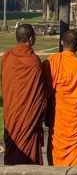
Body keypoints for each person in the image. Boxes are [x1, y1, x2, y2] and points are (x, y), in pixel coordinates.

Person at [1, 24, 46, 165]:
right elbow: (40, 94)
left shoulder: (6, 57)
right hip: (28, 116)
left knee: (13, 146)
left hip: (12, 113)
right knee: (28, 151)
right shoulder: (34, 61)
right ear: (31, 38)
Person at [44, 29, 77, 166]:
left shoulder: (52, 61)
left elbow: (45, 92)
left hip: (59, 119)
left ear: (61, 42)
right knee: (76, 161)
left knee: (56, 154)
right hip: (75, 120)